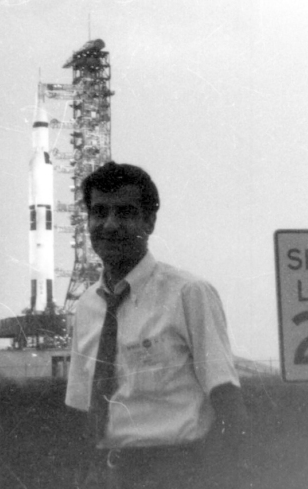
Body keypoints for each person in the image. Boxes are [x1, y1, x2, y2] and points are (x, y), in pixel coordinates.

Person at [65, 162, 248, 489]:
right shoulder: (87, 307)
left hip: (178, 472)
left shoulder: (188, 294)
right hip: (107, 474)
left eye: (125, 213)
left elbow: (227, 402)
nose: (110, 224)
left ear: (149, 222)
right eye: (99, 212)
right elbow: (81, 408)